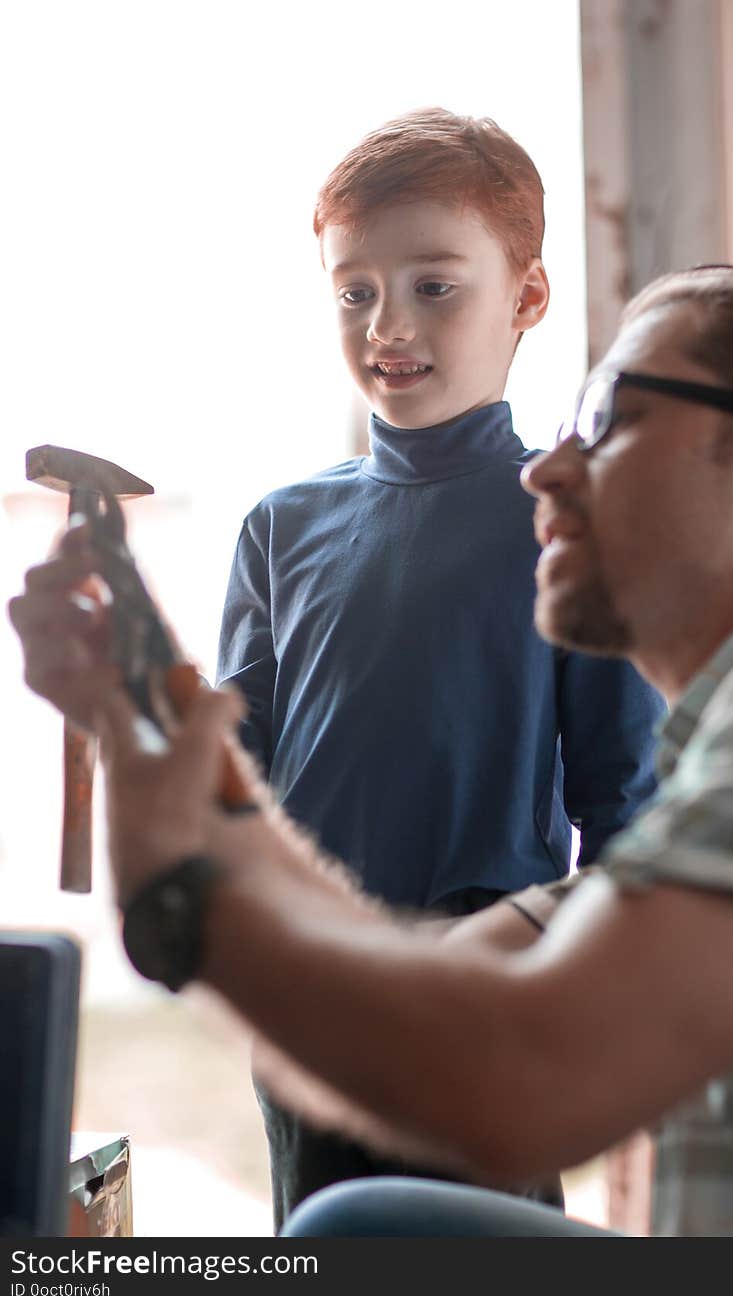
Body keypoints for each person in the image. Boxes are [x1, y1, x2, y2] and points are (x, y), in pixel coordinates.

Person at [11, 264, 733, 1237]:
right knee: (350, 1225)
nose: (546, 468)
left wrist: (176, 887)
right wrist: (141, 719)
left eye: (604, 423)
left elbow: (509, 1075)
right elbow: (395, 1007)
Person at [212, 107, 663, 1222]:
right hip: (307, 978)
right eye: (354, 290)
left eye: (433, 285)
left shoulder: (565, 518)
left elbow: (624, 799)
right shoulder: (280, 523)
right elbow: (232, 771)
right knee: (325, 1239)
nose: (387, 324)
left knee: (477, 1248)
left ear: (528, 296)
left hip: (486, 977)